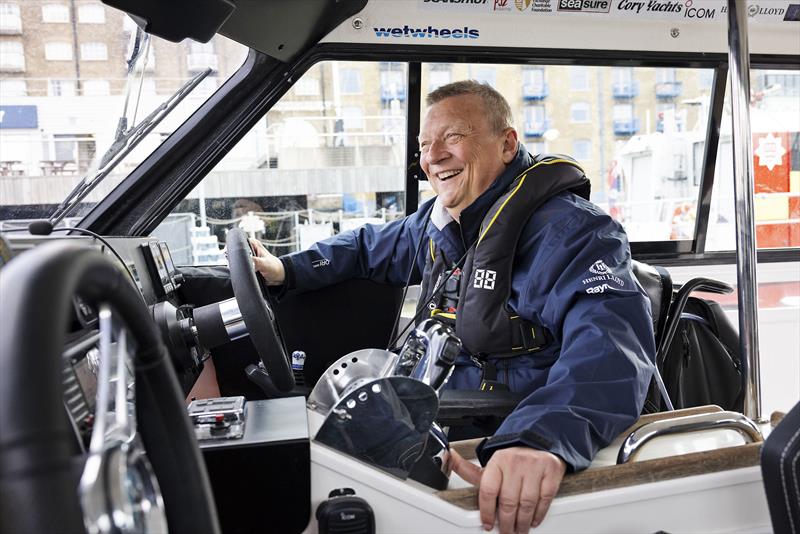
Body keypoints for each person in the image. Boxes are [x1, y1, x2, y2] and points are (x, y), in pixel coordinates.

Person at [249, 80, 655, 533]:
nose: (433, 156)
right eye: (425, 143)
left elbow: (610, 345)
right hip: (434, 409)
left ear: (507, 144)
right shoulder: (442, 219)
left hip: (500, 425)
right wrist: (287, 270)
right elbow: (366, 247)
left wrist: (541, 438)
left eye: (454, 137)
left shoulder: (575, 232)